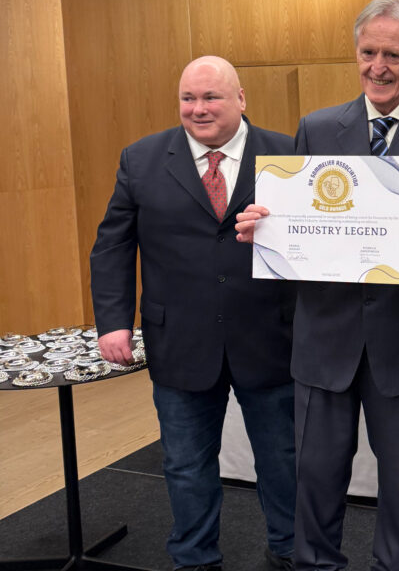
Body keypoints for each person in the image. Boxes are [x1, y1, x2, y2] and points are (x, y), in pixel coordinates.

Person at [236, 0, 399, 571]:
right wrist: (263, 227)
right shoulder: (318, 127)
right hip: (325, 332)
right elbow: (293, 218)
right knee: (316, 472)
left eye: (393, 55)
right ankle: (316, 564)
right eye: (369, 53)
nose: (379, 67)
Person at [91, 56, 297, 571]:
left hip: (270, 337)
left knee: (284, 461)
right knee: (185, 465)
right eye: (188, 98)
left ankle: (291, 551)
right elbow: (113, 246)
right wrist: (114, 322)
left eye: (211, 97)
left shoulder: (288, 154)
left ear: (241, 99)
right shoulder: (141, 159)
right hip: (179, 341)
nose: (198, 109)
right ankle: (195, 559)